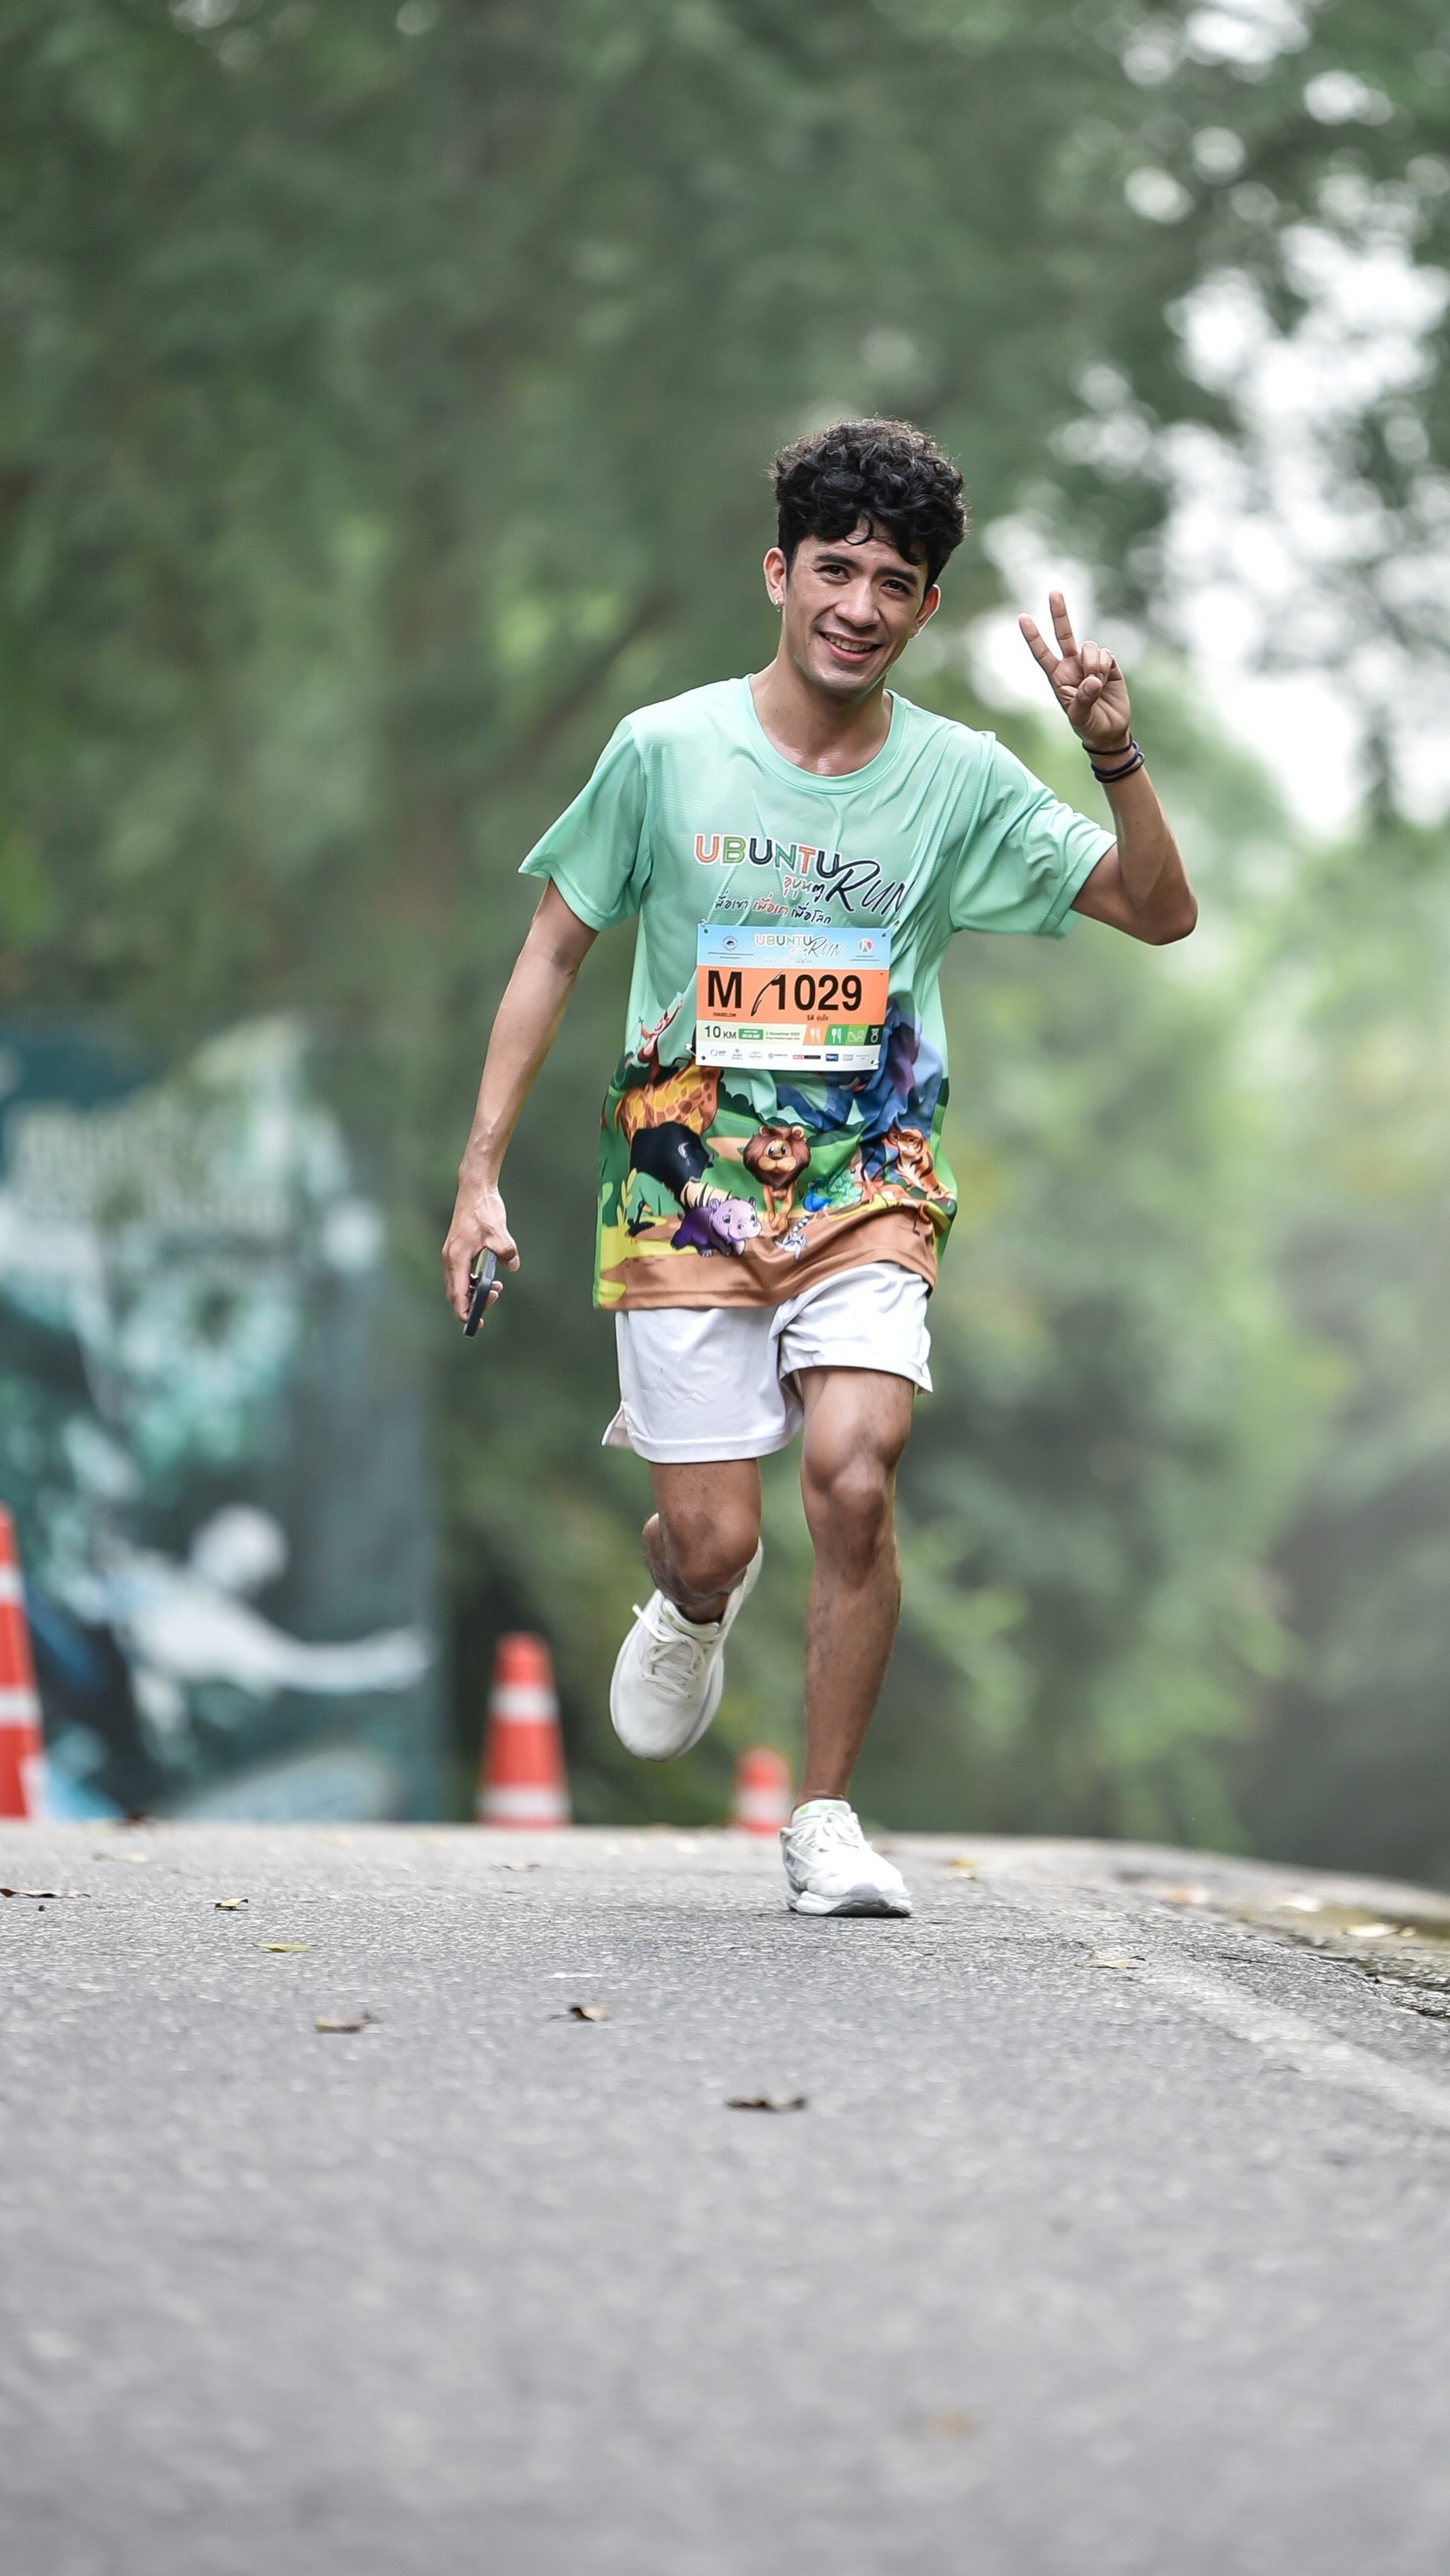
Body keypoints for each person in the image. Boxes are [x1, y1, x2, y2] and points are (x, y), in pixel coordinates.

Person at [440, 420, 1196, 1918]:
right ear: (778, 573)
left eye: (893, 583)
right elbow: (553, 948)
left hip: (869, 1181)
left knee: (856, 1471)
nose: (859, 606)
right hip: (681, 1188)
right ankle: (690, 1592)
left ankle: (827, 1816)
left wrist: (1112, 751)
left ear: (926, 609)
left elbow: (1158, 910)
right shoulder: (663, 750)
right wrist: (479, 1176)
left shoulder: (960, 780)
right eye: (834, 569)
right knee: (717, 1536)